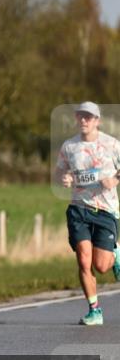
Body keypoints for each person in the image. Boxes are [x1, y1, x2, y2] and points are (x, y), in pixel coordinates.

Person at [54, 101, 120, 326]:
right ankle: (95, 310)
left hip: (105, 209)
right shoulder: (69, 147)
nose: (84, 120)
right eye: (81, 116)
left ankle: (115, 252)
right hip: (78, 209)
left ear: (97, 121)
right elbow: (60, 171)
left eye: (89, 117)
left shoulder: (111, 144)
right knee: (84, 259)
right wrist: (65, 178)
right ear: (76, 118)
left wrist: (115, 179)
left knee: (102, 266)